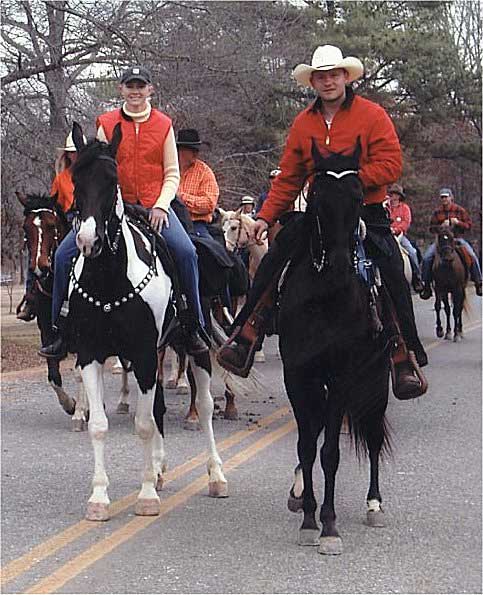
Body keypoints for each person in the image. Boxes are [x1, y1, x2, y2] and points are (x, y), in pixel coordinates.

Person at [217, 44, 427, 396]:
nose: (328, 82)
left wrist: (345, 180)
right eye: (321, 77)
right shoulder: (304, 123)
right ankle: (247, 333)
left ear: (345, 77)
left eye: (334, 75)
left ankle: (402, 354)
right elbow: (288, 177)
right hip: (317, 215)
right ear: (312, 82)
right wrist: (265, 218)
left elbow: (392, 164)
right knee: (275, 259)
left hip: (365, 211)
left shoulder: (372, 115)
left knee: (392, 267)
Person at [40, 65, 208, 359]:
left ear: (149, 90)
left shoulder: (164, 124)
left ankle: (192, 324)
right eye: (129, 86)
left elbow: (172, 173)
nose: (135, 91)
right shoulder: (106, 122)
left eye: (140, 86)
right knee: (65, 255)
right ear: (121, 89)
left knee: (186, 252)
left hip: (154, 207)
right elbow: (101, 169)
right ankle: (60, 329)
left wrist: (160, 205)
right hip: (114, 206)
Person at [17, 132, 83, 322]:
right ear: (67, 155)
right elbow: (55, 205)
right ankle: (31, 299)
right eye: (71, 152)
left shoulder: (90, 174)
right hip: (67, 220)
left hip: (86, 217)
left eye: (78, 151)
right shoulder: (61, 179)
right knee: (39, 253)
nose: (75, 155)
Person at [420, 187, 482, 299]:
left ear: (451, 198)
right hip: (442, 241)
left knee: (471, 255)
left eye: (446, 197)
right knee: (427, 258)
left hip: (456, 239)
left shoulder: (459, 210)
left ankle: (478, 282)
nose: (444, 199)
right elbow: (431, 228)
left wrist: (458, 222)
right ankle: (426, 284)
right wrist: (440, 227)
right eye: (442, 197)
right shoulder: (437, 212)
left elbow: (468, 225)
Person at [175, 128, 220, 239]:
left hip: (196, 224)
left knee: (209, 250)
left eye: (197, 149)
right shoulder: (166, 169)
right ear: (180, 150)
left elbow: (209, 204)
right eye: (192, 149)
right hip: (168, 220)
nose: (196, 153)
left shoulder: (204, 172)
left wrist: (179, 198)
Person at [386, 183, 424, 293]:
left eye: (395, 194)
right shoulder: (386, 207)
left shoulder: (405, 208)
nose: (393, 196)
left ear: (399, 196)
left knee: (412, 252)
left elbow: (406, 223)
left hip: (400, 236)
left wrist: (395, 230)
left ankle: (417, 278)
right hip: (387, 235)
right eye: (391, 193)